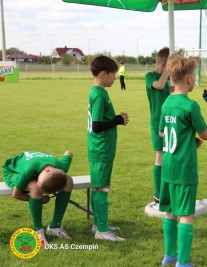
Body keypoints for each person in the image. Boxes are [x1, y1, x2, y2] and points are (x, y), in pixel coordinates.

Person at [159, 55, 207, 267]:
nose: (195, 80)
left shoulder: (167, 102)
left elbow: (162, 133)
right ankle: (183, 262)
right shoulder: (190, 106)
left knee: (169, 212)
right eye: (194, 77)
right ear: (188, 79)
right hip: (184, 168)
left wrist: (187, 139)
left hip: (168, 167)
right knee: (186, 214)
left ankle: (169, 256)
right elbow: (204, 133)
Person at [88, 55, 129, 241]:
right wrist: (117, 120)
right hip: (101, 149)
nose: (115, 78)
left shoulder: (101, 92)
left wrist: (116, 119)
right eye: (113, 74)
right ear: (104, 74)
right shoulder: (98, 94)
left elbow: (102, 121)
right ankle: (102, 231)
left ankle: (99, 223)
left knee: (100, 187)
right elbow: (96, 126)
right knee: (101, 188)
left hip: (103, 149)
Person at [2, 151, 74, 245]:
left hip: (37, 167)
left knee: (68, 180)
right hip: (13, 171)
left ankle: (55, 227)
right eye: (39, 180)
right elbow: (16, 194)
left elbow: (69, 153)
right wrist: (41, 200)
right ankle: (38, 232)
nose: (38, 182)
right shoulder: (29, 170)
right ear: (46, 170)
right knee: (35, 187)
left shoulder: (62, 167)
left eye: (39, 180)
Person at [144, 47, 171, 204]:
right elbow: (159, 86)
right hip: (157, 123)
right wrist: (167, 71)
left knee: (170, 156)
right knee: (160, 156)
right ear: (163, 63)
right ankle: (158, 193)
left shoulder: (167, 81)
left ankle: (168, 190)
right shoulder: (150, 76)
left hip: (170, 122)